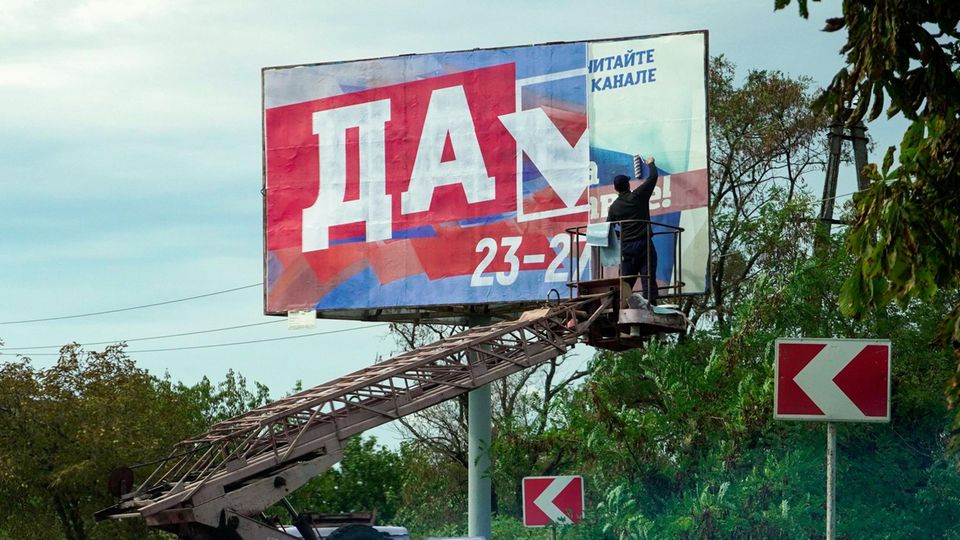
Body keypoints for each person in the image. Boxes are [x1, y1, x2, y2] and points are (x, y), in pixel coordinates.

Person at [606, 156, 659, 305]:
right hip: (644, 245)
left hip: (626, 248)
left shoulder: (614, 207)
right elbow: (653, 177)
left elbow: (607, 229)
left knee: (625, 284)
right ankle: (650, 307)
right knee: (648, 280)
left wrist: (620, 234)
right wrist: (650, 163)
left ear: (616, 189)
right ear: (629, 185)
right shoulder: (638, 196)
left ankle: (620, 308)